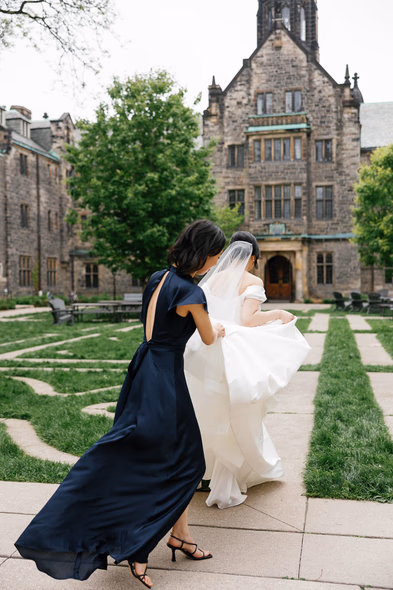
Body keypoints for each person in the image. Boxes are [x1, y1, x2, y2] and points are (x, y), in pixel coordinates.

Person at [15, 220, 226, 589]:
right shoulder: (192, 292)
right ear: (204, 253)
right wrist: (219, 327)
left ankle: (181, 537)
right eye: (216, 254)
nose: (218, 260)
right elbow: (208, 337)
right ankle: (138, 547)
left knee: (160, 456)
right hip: (165, 381)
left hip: (142, 369)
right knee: (187, 464)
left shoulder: (158, 277)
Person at [184, 231, 311, 510]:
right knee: (237, 415)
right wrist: (278, 314)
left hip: (207, 350)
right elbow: (248, 319)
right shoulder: (252, 281)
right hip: (234, 354)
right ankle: (225, 484)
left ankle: (196, 474)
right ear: (252, 256)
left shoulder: (212, 278)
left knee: (207, 412)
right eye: (256, 260)